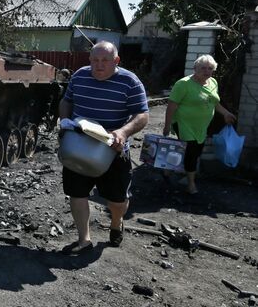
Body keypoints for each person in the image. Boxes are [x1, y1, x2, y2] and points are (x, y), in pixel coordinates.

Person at [59, 41, 149, 254]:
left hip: (112, 148)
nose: (98, 65)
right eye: (94, 60)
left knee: (117, 200)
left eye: (105, 61)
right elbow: (67, 101)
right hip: (79, 145)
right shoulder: (80, 76)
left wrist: (123, 132)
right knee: (77, 192)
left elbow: (142, 115)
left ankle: (116, 222)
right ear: (89, 60)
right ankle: (84, 240)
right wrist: (63, 121)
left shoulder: (130, 82)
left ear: (116, 61)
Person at [162, 54, 236, 194]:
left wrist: (226, 113)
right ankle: (191, 184)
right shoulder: (183, 84)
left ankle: (167, 169)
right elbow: (171, 106)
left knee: (193, 151)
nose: (207, 71)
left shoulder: (213, 82)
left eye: (210, 68)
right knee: (191, 152)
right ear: (195, 68)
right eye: (203, 68)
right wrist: (167, 125)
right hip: (184, 124)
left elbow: (214, 102)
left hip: (201, 126)